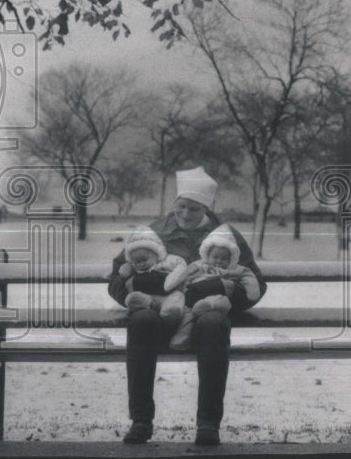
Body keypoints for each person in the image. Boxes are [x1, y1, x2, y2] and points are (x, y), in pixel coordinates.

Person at [107, 166, 266, 446]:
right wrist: (142, 288)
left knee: (214, 322)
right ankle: (141, 420)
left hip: (205, 320)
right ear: (174, 203)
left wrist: (225, 289)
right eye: (181, 207)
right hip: (161, 316)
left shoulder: (227, 236)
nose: (185, 215)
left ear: (206, 207)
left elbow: (255, 285)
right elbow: (117, 278)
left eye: (194, 209)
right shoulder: (153, 233)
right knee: (141, 320)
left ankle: (208, 423)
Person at [164, 224, 263, 351]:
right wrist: (177, 285)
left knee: (222, 301)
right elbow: (184, 274)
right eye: (215, 257)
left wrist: (252, 292)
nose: (219, 261)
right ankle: (181, 339)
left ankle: (206, 306)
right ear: (207, 256)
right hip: (193, 297)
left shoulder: (234, 269)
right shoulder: (199, 265)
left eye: (224, 258)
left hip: (218, 299)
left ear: (231, 259)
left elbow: (248, 276)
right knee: (187, 316)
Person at [116, 226, 188, 323]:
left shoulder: (169, 261)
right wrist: (125, 270)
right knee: (135, 298)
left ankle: (170, 313)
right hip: (148, 297)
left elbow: (181, 265)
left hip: (169, 294)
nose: (141, 264)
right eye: (137, 261)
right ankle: (150, 304)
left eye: (145, 260)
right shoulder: (133, 268)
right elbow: (123, 274)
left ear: (156, 253)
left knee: (176, 297)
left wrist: (171, 281)